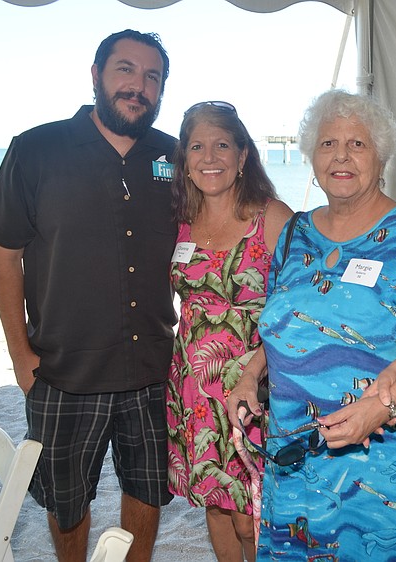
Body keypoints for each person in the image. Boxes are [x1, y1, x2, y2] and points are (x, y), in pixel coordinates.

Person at [227, 89, 396, 560]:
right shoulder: (294, 234)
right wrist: (250, 376)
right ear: (312, 156)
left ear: (381, 156)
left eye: (357, 144)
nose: (341, 156)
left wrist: (383, 407)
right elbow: (284, 324)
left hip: (379, 461)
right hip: (293, 454)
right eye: (328, 143)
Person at [0, 30, 177, 562]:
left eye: (152, 77)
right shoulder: (36, 149)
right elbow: (3, 256)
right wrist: (21, 356)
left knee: (148, 491)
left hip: (154, 370)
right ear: (96, 75)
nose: (138, 86)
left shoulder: (175, 158)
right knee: (65, 504)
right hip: (63, 374)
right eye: (125, 70)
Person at [166, 100, 293, 562]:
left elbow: (298, 305)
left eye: (222, 144)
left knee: (251, 514)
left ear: (243, 156)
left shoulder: (272, 217)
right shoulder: (177, 222)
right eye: (197, 146)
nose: (209, 156)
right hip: (195, 388)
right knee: (215, 508)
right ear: (184, 160)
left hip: (256, 386)